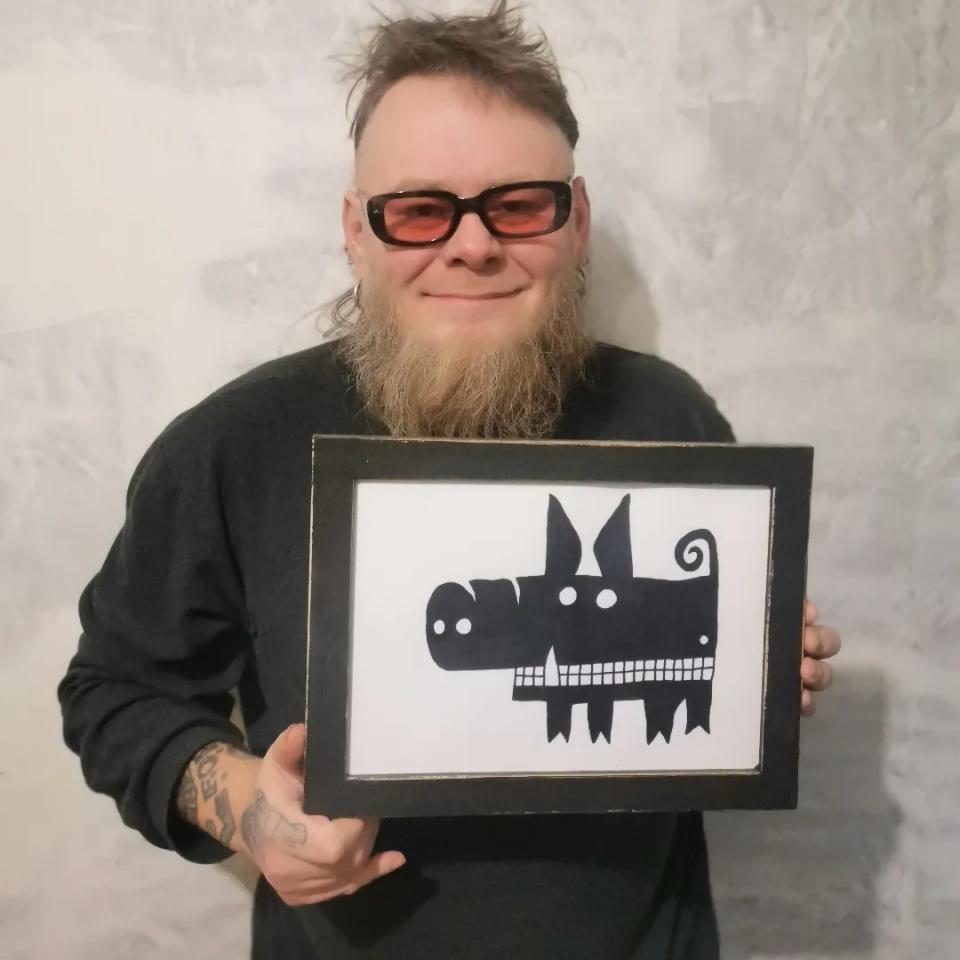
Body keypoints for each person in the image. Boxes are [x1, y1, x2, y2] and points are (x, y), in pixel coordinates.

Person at [58, 3, 841, 957]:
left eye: (519, 205)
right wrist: (246, 805)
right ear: (357, 230)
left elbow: (698, 667)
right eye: (421, 211)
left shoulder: (671, 417)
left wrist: (754, 659)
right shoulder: (232, 445)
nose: (473, 245)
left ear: (576, 220)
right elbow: (114, 691)